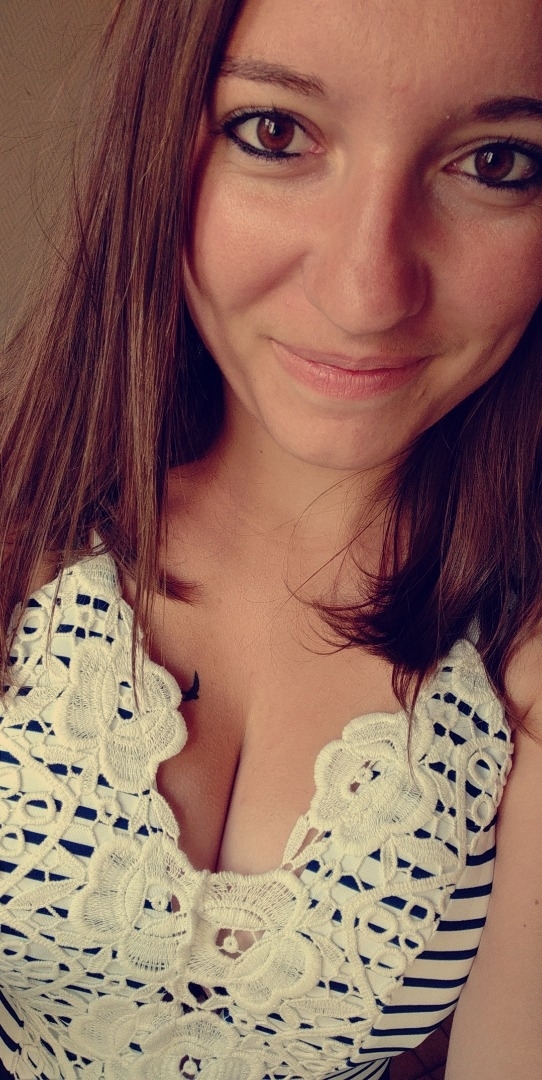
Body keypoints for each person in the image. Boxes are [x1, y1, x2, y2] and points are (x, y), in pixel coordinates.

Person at [1, 0, 542, 1077]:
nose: (365, 294)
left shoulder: (520, 660)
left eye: (495, 162)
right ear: (160, 146)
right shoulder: (22, 546)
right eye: (275, 132)